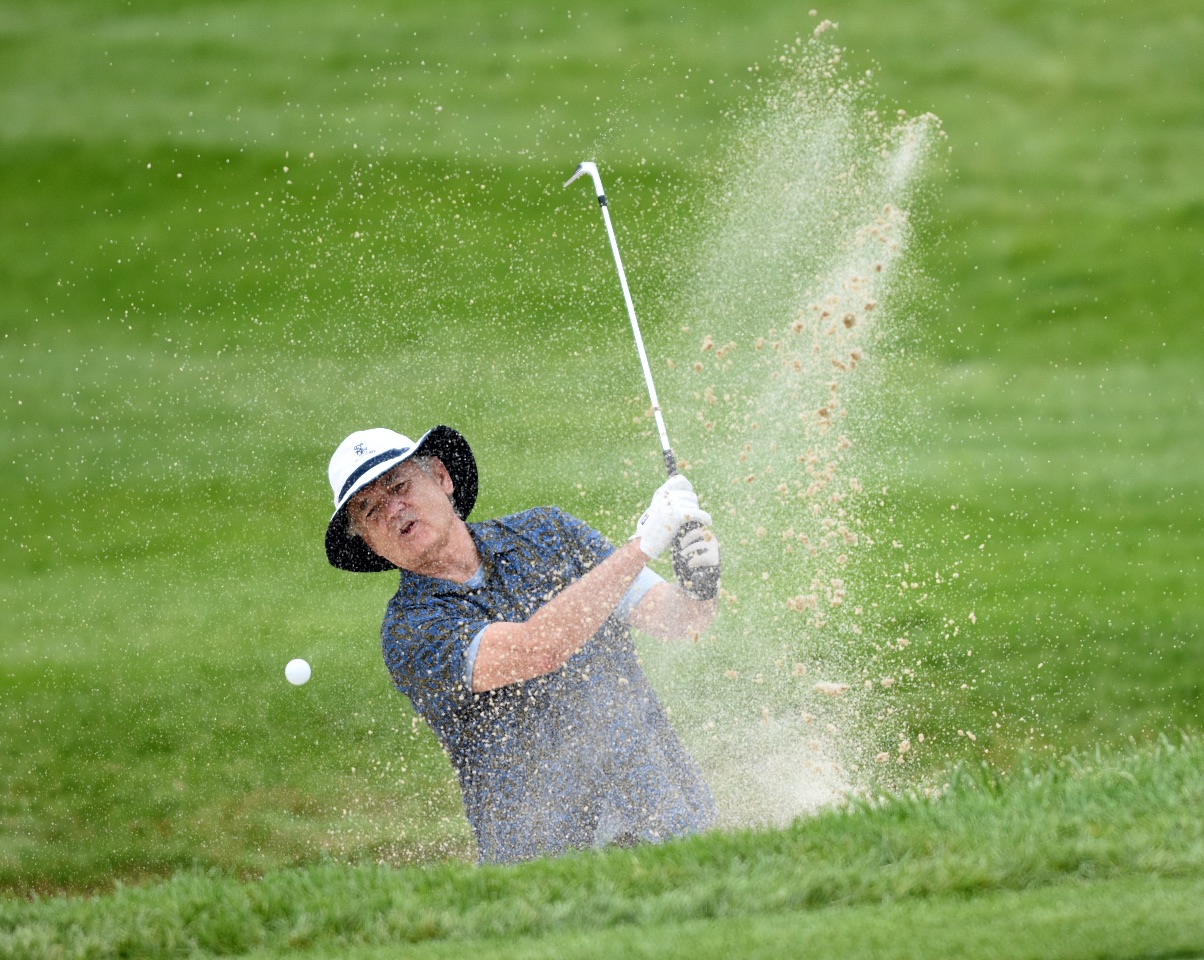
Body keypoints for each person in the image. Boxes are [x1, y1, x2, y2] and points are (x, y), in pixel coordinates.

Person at [324, 424, 723, 863]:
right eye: (370, 511)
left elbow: (679, 621)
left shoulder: (550, 533)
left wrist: (699, 583)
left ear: (441, 477)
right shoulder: (410, 631)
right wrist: (643, 544)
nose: (394, 510)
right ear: (368, 542)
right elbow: (540, 649)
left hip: (662, 808)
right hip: (547, 866)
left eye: (400, 486)